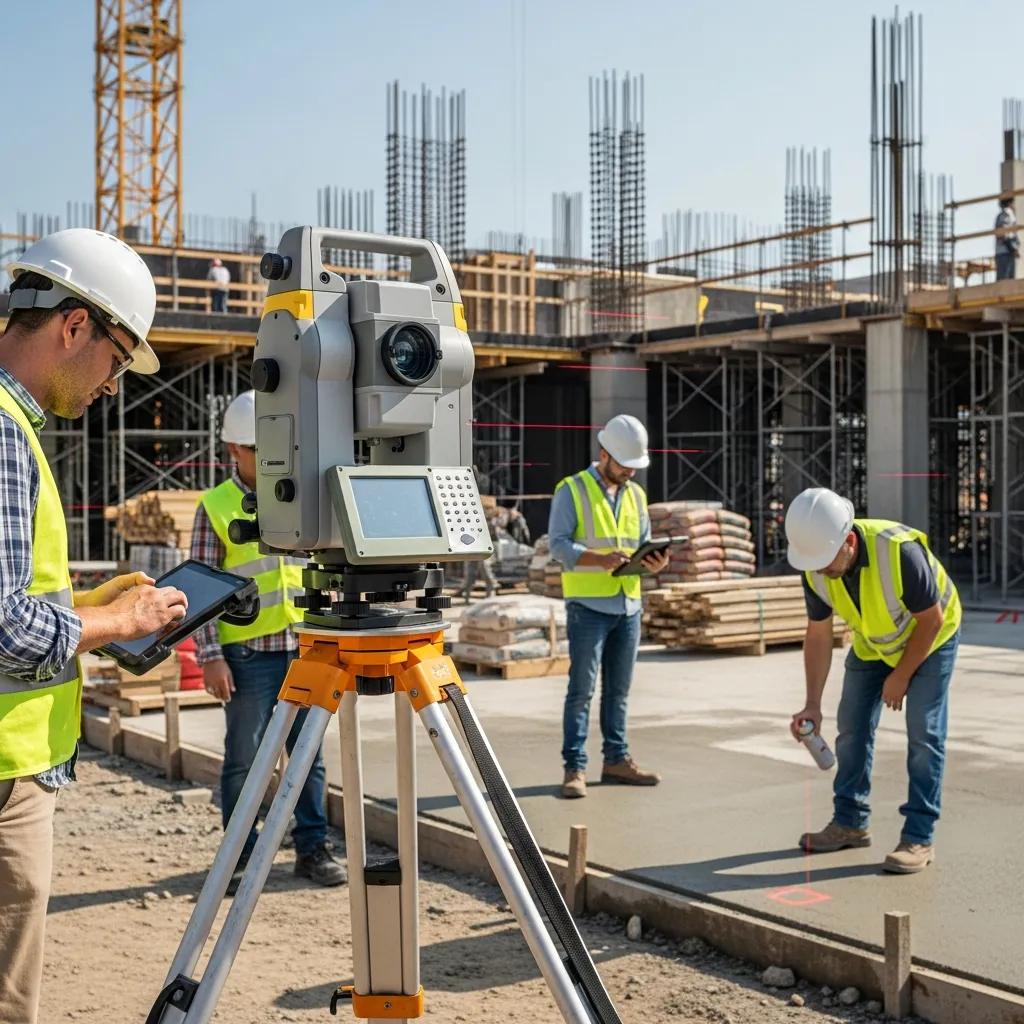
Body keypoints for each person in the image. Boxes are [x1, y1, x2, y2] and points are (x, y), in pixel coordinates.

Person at [0, 228, 190, 1024]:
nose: (114, 385)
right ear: (73, 326)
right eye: (117, 358)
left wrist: (87, 608)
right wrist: (115, 621)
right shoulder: (6, 435)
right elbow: (6, 628)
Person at [191, 390, 345, 893]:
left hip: (306, 651)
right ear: (234, 449)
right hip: (248, 656)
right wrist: (210, 657)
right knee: (245, 758)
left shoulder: (303, 495)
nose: (273, 456)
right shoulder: (214, 506)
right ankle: (240, 855)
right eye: (259, 447)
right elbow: (202, 591)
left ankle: (312, 847)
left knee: (309, 757)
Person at [786, 487, 961, 874]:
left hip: (932, 637)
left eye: (825, 562)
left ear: (848, 541)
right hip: (875, 642)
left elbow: (929, 620)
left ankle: (919, 836)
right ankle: (850, 821)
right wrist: (812, 703)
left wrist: (901, 676)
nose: (819, 571)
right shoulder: (815, 566)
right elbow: (818, 634)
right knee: (851, 729)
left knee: (924, 735)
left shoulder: (898, 551)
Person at [548, 414, 669, 799]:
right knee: (581, 691)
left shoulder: (636, 495)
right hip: (588, 607)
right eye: (624, 466)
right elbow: (558, 546)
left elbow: (643, 541)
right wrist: (599, 559)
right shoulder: (572, 489)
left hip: (629, 606)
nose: (630, 473)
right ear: (604, 454)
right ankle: (575, 767)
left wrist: (656, 563)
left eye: (635, 467)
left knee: (619, 691)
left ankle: (616, 759)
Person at [994, 197, 1019, 280]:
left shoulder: (1002, 215)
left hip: (1004, 252)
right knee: (1006, 283)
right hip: (1005, 252)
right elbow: (1004, 234)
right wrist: (1012, 249)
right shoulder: (1007, 214)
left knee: (1006, 282)